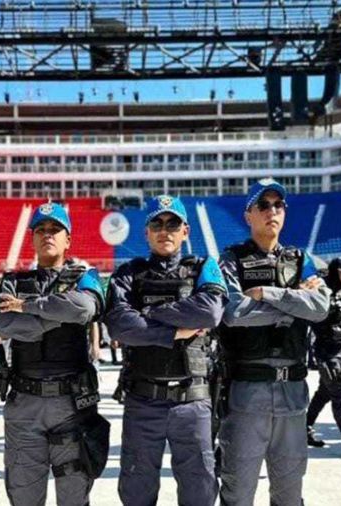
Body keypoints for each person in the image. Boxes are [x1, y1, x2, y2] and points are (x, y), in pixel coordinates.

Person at [105, 194, 226, 506]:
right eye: (157, 223)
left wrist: (148, 312)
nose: (165, 229)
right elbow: (119, 325)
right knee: (136, 492)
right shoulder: (128, 273)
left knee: (199, 492)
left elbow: (210, 313)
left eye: (173, 223)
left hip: (193, 401)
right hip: (143, 400)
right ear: (146, 232)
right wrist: (175, 331)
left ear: (185, 230)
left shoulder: (203, 267)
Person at [216, 178, 330, 506]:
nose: (272, 211)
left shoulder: (300, 258)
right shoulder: (232, 258)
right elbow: (235, 312)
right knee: (238, 491)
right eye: (263, 205)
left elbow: (321, 307)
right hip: (247, 390)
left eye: (278, 205)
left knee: (290, 491)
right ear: (248, 214)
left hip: (293, 392)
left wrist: (269, 294)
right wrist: (294, 305)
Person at [0, 202, 108, 506]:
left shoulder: (86, 276)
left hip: (71, 405)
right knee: (25, 495)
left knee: (73, 495)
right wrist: (61, 313)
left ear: (68, 239)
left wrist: (28, 307)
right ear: (31, 238)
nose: (47, 234)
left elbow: (85, 308)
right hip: (25, 403)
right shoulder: (13, 281)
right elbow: (5, 323)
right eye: (40, 230)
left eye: (55, 229)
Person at [306, 257, 341, 455]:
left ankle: (306, 427)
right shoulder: (322, 291)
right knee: (339, 398)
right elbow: (313, 320)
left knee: (324, 393)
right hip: (327, 354)